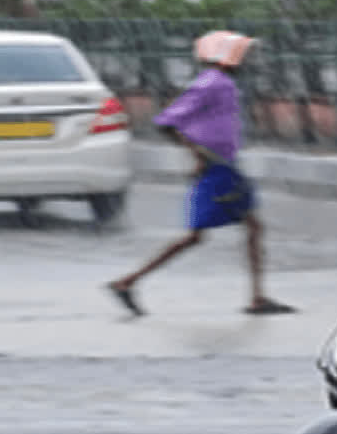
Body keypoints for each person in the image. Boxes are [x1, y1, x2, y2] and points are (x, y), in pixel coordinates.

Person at [107, 30, 295, 316]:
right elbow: (168, 122)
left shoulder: (222, 83)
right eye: (241, 53)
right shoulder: (212, 84)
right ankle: (127, 281)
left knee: (252, 228)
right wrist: (198, 154)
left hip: (225, 167)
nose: (246, 60)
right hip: (217, 168)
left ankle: (258, 297)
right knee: (197, 236)